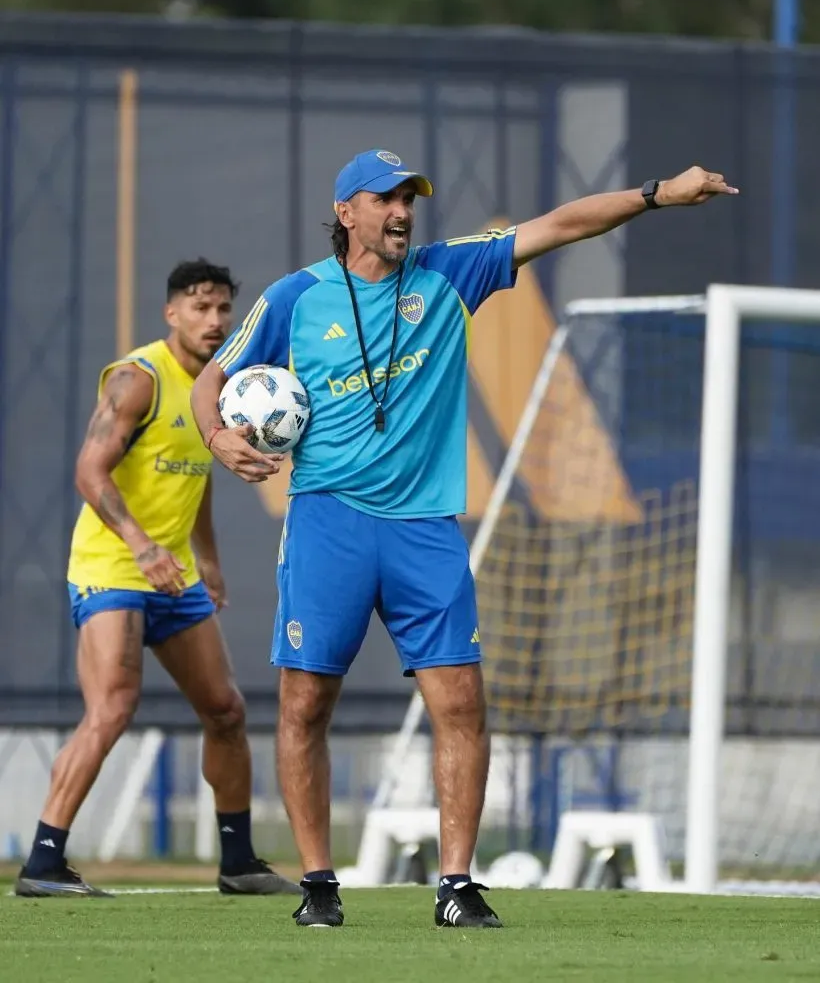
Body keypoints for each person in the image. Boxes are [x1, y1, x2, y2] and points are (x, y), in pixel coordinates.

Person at [190, 151, 738, 928]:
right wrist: (217, 436)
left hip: (426, 528)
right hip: (328, 521)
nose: (402, 211)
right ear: (346, 212)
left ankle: (456, 886)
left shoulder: (451, 273)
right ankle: (318, 884)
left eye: (409, 198)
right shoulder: (295, 297)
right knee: (304, 703)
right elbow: (211, 380)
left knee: (461, 703)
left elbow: (561, 225)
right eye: (385, 198)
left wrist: (657, 195)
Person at [15, 259, 300, 899]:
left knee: (225, 711)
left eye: (223, 309)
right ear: (172, 313)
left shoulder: (220, 390)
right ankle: (43, 863)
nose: (214, 320)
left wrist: (210, 560)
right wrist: (142, 547)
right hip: (112, 568)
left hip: (175, 575)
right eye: (200, 308)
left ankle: (237, 863)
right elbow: (89, 471)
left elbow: (192, 478)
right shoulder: (137, 379)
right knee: (113, 707)